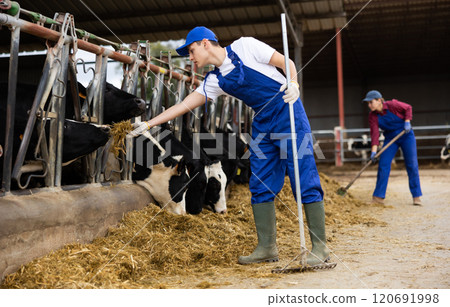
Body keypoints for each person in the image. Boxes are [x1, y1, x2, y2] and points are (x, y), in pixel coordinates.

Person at [132, 26, 329, 265]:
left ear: (205, 43)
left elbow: (286, 61)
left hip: (288, 111)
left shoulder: (246, 46)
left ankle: (320, 248)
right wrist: (149, 124)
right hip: (263, 122)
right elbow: (184, 105)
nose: (191, 58)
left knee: (302, 175)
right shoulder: (214, 80)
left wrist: (294, 84)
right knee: (261, 181)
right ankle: (267, 248)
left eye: (192, 51)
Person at [363, 90, 423, 206]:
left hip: (406, 135)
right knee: (383, 164)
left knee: (412, 164)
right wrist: (374, 152)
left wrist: (407, 121)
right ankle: (378, 198)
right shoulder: (373, 116)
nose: (369, 105)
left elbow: (408, 108)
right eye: (368, 103)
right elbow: (374, 134)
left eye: (371, 102)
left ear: (379, 100)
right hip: (390, 138)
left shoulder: (392, 105)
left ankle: (416, 196)